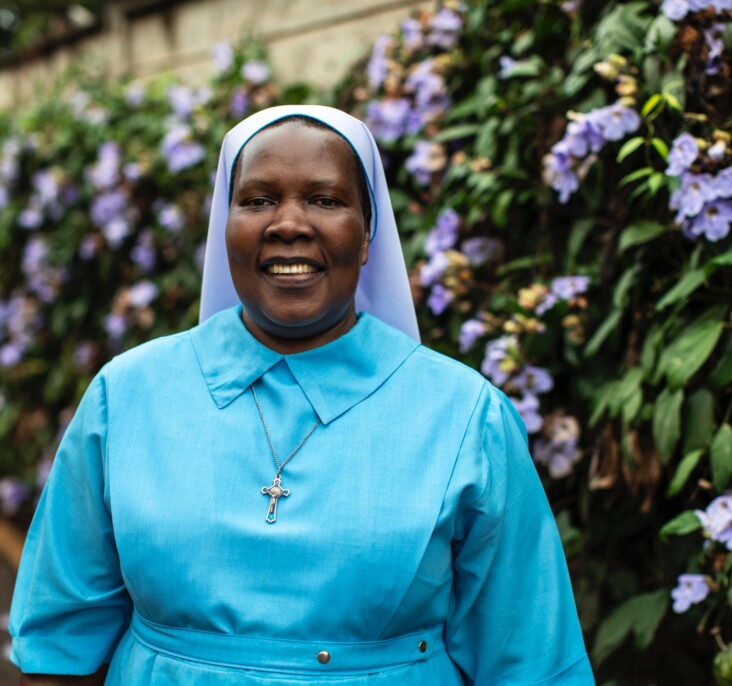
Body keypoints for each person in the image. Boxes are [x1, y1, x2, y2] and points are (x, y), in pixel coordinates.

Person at [9, 105, 595, 685]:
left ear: (367, 235)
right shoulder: (125, 396)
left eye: (325, 199)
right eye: (259, 199)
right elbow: (62, 649)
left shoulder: (467, 416)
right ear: (226, 224)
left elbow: (532, 662)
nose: (288, 223)